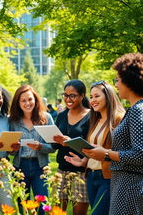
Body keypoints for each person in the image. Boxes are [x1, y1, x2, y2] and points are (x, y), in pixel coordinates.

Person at [81, 53, 143, 215]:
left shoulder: (137, 111)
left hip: (129, 187)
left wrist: (106, 153)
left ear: (129, 80)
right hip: (122, 184)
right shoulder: (134, 110)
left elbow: (140, 154)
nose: (116, 85)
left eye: (118, 80)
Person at [65, 81, 125, 215]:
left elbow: (125, 152)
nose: (93, 100)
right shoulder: (95, 120)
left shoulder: (119, 119)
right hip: (91, 176)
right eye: (91, 97)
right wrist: (84, 161)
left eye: (97, 96)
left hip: (107, 178)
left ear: (108, 96)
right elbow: (94, 150)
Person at [9, 85, 55, 215]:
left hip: (40, 167)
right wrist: (13, 148)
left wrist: (40, 147)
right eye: (23, 101)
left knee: (42, 205)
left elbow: (53, 147)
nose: (27, 103)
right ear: (18, 103)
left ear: (35, 99)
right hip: (19, 166)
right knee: (21, 204)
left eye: (30, 99)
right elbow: (10, 151)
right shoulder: (13, 121)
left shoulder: (46, 118)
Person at [52, 79, 90, 215]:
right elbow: (55, 144)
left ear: (82, 95)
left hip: (81, 172)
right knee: (56, 212)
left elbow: (92, 146)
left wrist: (71, 141)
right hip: (61, 170)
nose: (68, 99)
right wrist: (55, 140)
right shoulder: (61, 115)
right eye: (65, 95)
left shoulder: (91, 116)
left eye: (72, 95)